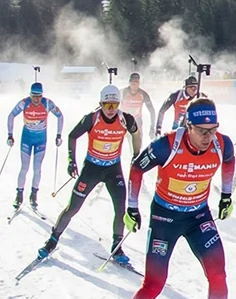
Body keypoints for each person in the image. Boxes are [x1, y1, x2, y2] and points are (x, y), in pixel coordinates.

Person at [114, 98, 236, 299]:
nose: (208, 137)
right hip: (165, 218)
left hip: (197, 216)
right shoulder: (166, 145)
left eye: (213, 129)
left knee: (218, 274)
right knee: (154, 283)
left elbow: (229, 160)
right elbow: (136, 167)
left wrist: (226, 195)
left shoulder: (222, 143)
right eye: (202, 131)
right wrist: (132, 208)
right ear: (188, 125)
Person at [38, 85, 141, 264]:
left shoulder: (126, 119)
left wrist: (136, 155)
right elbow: (72, 136)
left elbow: (136, 133)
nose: (111, 110)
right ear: (100, 103)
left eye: (114, 105)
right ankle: (52, 241)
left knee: (120, 208)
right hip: (91, 169)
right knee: (73, 208)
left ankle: (117, 248)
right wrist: (72, 161)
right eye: (106, 105)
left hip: (113, 170)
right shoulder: (91, 118)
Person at [7, 82, 65, 212]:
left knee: (37, 168)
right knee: (24, 167)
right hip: (26, 139)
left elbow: (60, 116)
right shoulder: (24, 103)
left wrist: (59, 135)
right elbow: (11, 115)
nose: (36, 99)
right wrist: (10, 135)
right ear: (30, 95)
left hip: (41, 140)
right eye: (34, 96)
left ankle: (34, 196)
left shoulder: (47, 103)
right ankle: (19, 195)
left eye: (39, 96)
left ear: (42, 95)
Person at [119, 73, 156, 137]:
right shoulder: (122, 92)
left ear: (139, 83)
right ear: (129, 83)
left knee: (137, 143)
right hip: (123, 120)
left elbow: (152, 111)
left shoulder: (143, 94)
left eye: (137, 82)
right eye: (133, 82)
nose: (135, 85)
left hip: (136, 120)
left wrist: (152, 128)